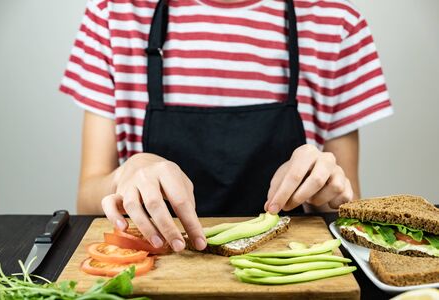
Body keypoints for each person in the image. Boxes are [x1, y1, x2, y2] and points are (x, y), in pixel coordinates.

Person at [60, 0, 393, 252]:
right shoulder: (112, 15)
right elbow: (87, 200)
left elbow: (347, 211)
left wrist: (326, 188)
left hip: (284, 258)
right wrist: (126, 173)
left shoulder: (337, 24)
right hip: (158, 256)